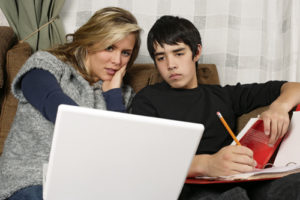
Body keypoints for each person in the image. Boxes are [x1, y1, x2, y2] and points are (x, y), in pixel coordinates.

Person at [130, 15, 300, 199]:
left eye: (179, 53)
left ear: (196, 52)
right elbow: (145, 160)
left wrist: (279, 107)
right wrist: (207, 164)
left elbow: (294, 87)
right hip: (188, 186)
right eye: (161, 58)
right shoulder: (147, 99)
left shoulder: (223, 95)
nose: (171, 65)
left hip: (236, 180)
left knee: (292, 185)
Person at [0, 7, 141, 200]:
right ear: (90, 42)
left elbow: (118, 155)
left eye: (125, 53)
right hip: (29, 181)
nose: (117, 60)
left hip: (86, 188)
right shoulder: (44, 65)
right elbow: (63, 114)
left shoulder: (121, 95)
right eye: (110, 47)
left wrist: (113, 94)